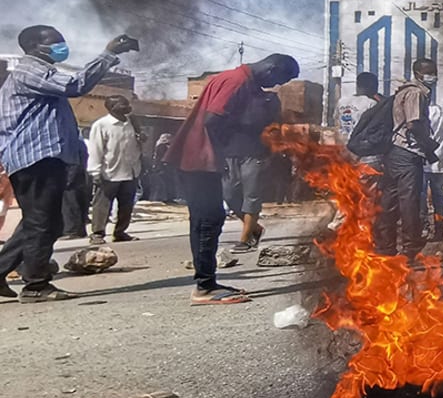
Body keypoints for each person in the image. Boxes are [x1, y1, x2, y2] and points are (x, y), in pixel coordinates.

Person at [0, 27, 137, 301]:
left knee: (41, 221)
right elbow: (74, 85)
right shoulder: (31, 71)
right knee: (42, 222)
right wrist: (108, 54)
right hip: (35, 158)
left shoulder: (39, 76)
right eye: (54, 42)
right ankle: (36, 286)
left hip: (46, 158)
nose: (61, 46)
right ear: (34, 46)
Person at [166, 53, 299, 304]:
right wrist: (229, 148)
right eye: (282, 77)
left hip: (200, 157)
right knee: (208, 220)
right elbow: (213, 120)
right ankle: (204, 288)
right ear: (271, 69)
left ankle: (207, 282)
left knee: (207, 219)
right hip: (199, 158)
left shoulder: (238, 80)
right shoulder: (237, 82)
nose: (278, 84)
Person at [378, 58, 440, 258]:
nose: (433, 75)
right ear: (417, 73)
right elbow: (413, 125)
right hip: (408, 153)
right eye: (429, 72)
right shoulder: (415, 92)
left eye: (434, 71)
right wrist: (428, 146)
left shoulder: (403, 91)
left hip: (394, 152)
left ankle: (386, 247)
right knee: (409, 202)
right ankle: (410, 248)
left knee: (390, 201)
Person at [224, 85, 282, 253]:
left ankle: (246, 239)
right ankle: (255, 229)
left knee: (251, 195)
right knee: (228, 193)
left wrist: (272, 151)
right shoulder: (230, 100)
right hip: (231, 152)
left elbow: (274, 126)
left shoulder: (268, 100)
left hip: (255, 153)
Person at [87, 94, 142, 244]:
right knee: (103, 205)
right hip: (109, 172)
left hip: (130, 171)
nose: (127, 107)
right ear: (112, 108)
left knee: (126, 205)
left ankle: (120, 232)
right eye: (123, 105)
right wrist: (95, 172)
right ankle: (97, 233)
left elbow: (137, 143)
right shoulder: (102, 125)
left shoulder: (132, 122)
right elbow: (96, 149)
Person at [424, 99, 443, 240]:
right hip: (440, 162)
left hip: (424, 161)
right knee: (438, 198)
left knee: (421, 197)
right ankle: (439, 229)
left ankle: (424, 227)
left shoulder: (425, 113)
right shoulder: (442, 113)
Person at [338, 72, 382, 141]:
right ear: (372, 86)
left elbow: (336, 122)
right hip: (359, 144)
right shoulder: (371, 103)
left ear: (357, 85)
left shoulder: (342, 101)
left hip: (342, 141)